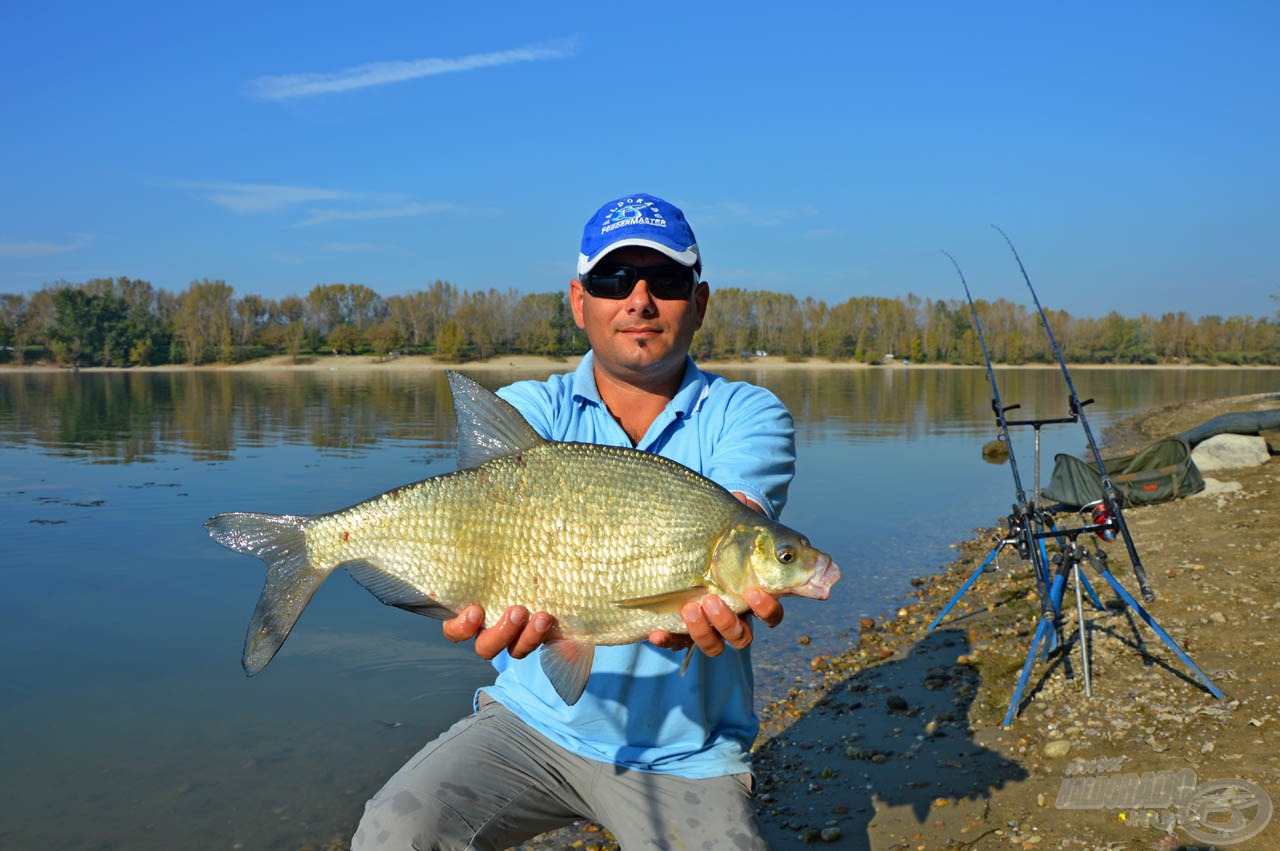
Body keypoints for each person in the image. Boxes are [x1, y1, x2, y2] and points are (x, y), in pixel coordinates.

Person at [352, 193, 796, 850]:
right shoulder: (529, 410)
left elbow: (743, 511)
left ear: (699, 302)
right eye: (615, 280)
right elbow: (471, 529)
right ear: (578, 300)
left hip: (684, 755)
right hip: (530, 726)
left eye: (666, 281)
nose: (639, 300)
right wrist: (457, 591)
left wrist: (718, 589)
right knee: (393, 831)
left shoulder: (750, 415)